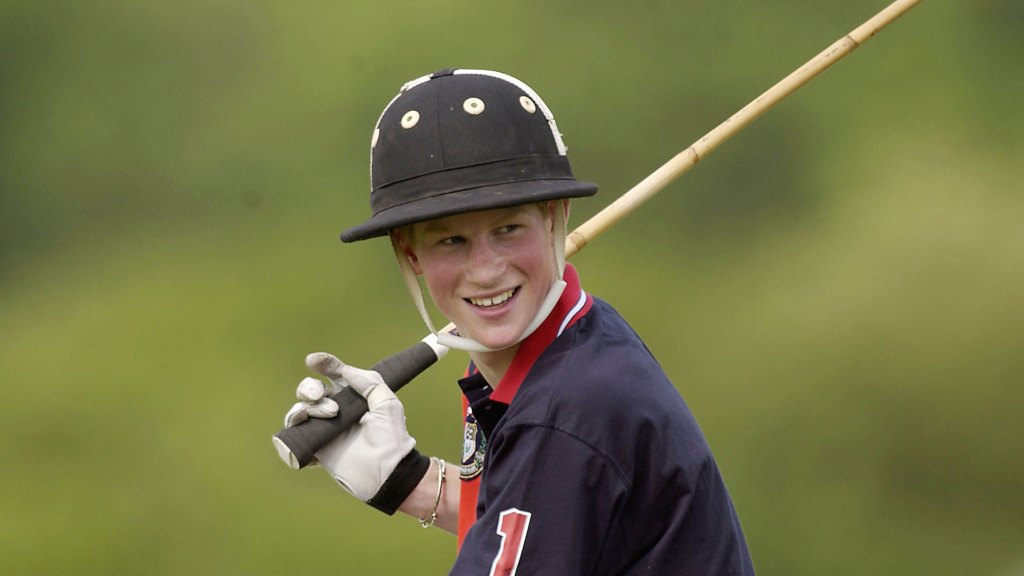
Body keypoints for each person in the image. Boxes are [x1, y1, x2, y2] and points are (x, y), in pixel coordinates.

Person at [281, 68, 755, 574]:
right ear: (410, 252)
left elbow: (555, 479)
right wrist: (405, 479)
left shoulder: (566, 411)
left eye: (507, 229)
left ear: (555, 216)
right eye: (451, 241)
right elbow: (555, 522)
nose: (486, 271)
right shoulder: (577, 339)